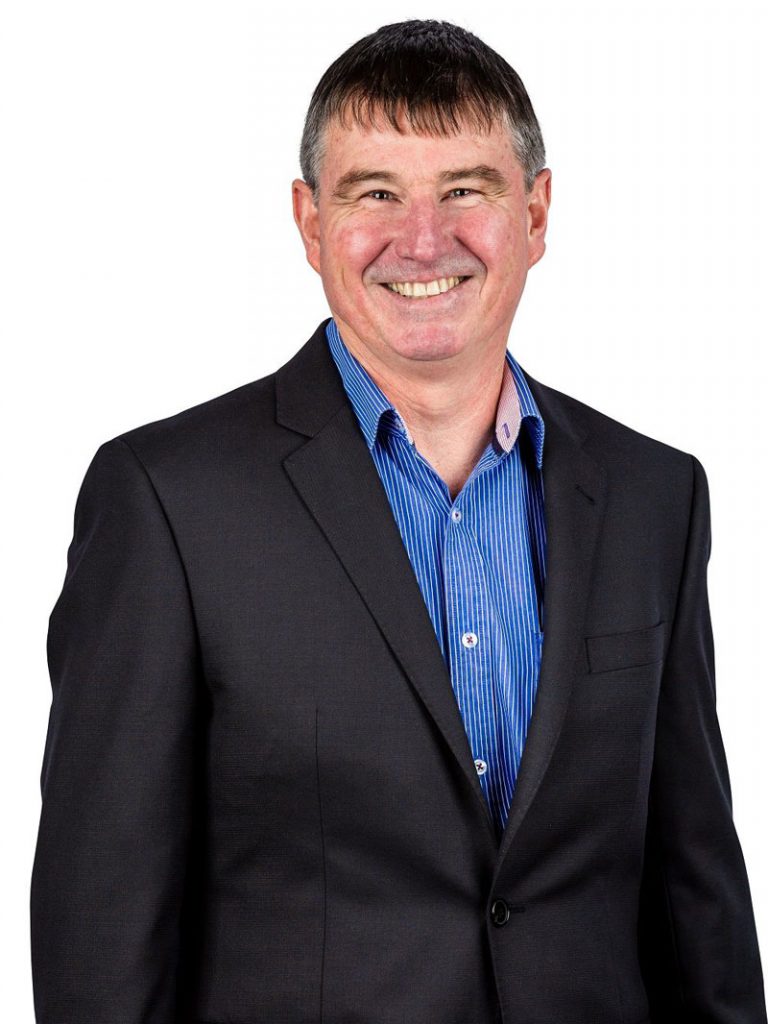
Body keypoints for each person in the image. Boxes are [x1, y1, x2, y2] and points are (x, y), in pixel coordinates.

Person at [30, 18, 766, 1024]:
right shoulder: (167, 501)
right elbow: (102, 933)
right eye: (375, 193)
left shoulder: (654, 496)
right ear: (309, 221)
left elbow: (698, 902)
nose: (423, 240)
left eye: (466, 189)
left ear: (536, 214)